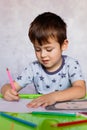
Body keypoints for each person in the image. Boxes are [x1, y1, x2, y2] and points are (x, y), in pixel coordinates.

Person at [1, 12, 86, 108]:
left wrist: (53, 96)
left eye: (49, 49)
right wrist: (6, 90)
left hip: (66, 114)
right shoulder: (33, 68)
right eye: (37, 49)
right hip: (41, 113)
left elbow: (81, 90)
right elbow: (11, 86)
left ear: (64, 45)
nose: (43, 55)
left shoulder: (71, 64)